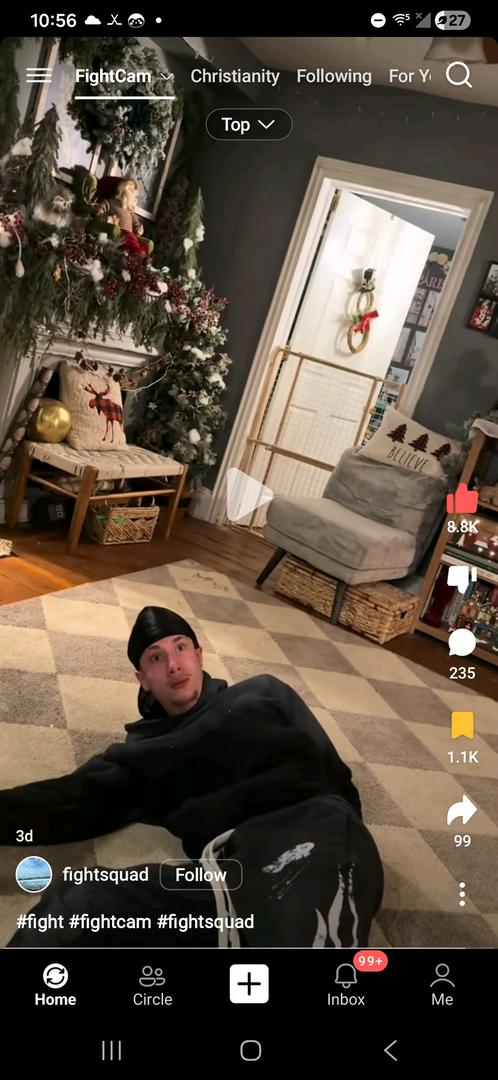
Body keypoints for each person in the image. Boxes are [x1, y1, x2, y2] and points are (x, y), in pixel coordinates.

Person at [1, 606, 383, 947]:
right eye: (156, 657)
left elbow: (336, 779)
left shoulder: (262, 695)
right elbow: (69, 799)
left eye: (181, 648)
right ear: (142, 678)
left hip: (309, 834)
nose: (173, 664)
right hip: (227, 876)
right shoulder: (144, 753)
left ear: (199, 656)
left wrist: (343, 845)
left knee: (303, 929)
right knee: (78, 903)